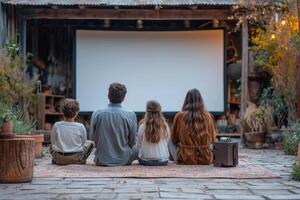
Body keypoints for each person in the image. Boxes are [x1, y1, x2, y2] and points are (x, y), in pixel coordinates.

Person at [90, 83, 137, 166]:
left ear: (108, 96)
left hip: (101, 160)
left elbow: (92, 139)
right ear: (124, 98)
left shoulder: (97, 113)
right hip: (124, 160)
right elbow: (132, 142)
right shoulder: (130, 115)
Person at [169, 89, 216, 165]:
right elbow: (213, 139)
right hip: (206, 158)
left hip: (185, 158)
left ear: (186, 100)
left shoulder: (179, 116)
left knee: (170, 141)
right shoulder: (208, 116)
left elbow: (174, 139)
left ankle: (175, 160)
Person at [50, 98, 93, 165]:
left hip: (59, 159)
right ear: (76, 113)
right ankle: (81, 160)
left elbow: (53, 142)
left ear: (62, 112)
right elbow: (83, 143)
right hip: (76, 158)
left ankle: (56, 160)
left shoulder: (56, 125)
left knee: (51, 146)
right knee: (90, 143)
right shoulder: (81, 126)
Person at [137, 100, 170, 166]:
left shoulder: (142, 126)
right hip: (163, 161)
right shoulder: (165, 126)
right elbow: (167, 141)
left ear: (147, 111)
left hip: (145, 161)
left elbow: (139, 144)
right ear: (160, 111)